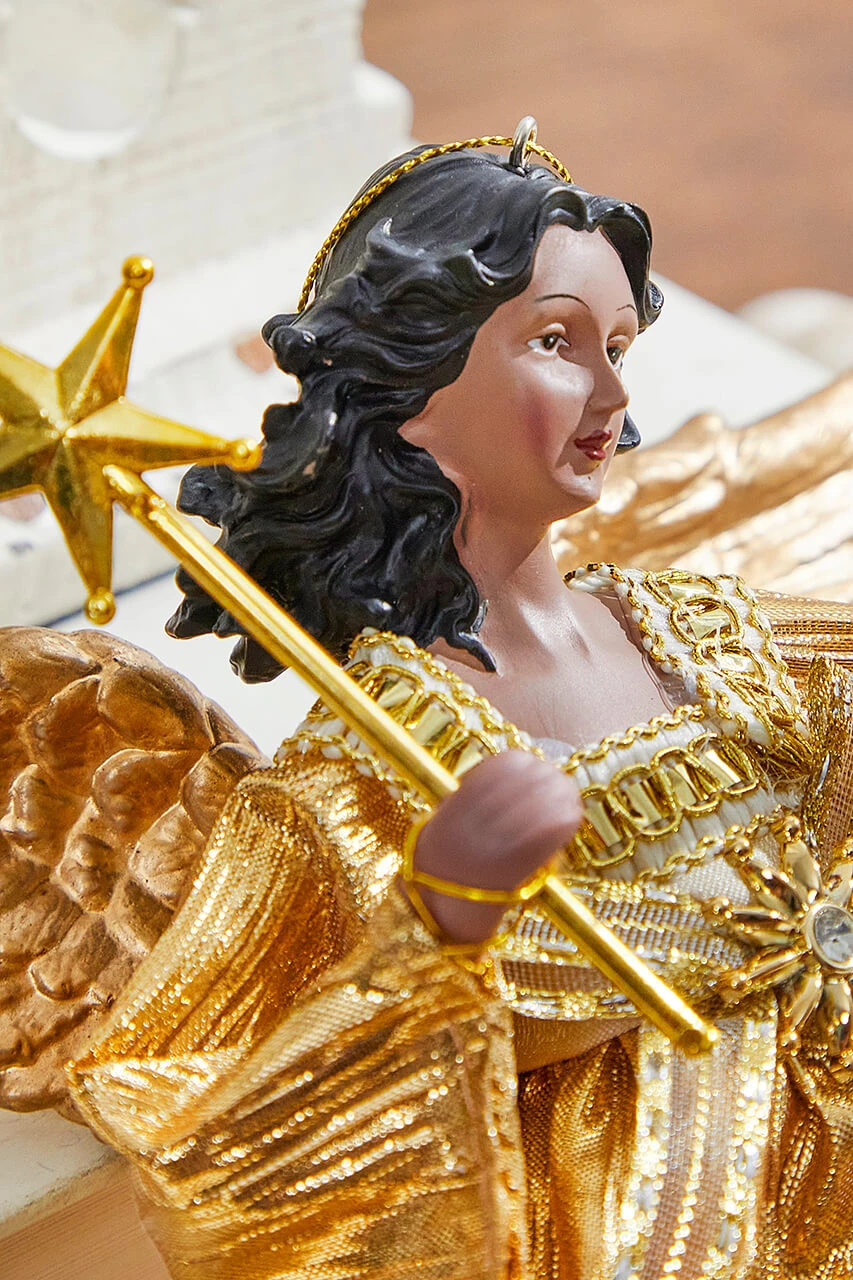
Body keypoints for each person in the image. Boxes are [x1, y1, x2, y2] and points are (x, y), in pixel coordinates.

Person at [62, 124, 853, 1279]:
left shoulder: (710, 634)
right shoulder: (358, 782)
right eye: (555, 341)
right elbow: (219, 1142)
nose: (612, 394)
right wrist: (439, 923)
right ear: (410, 382)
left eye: (618, 345)